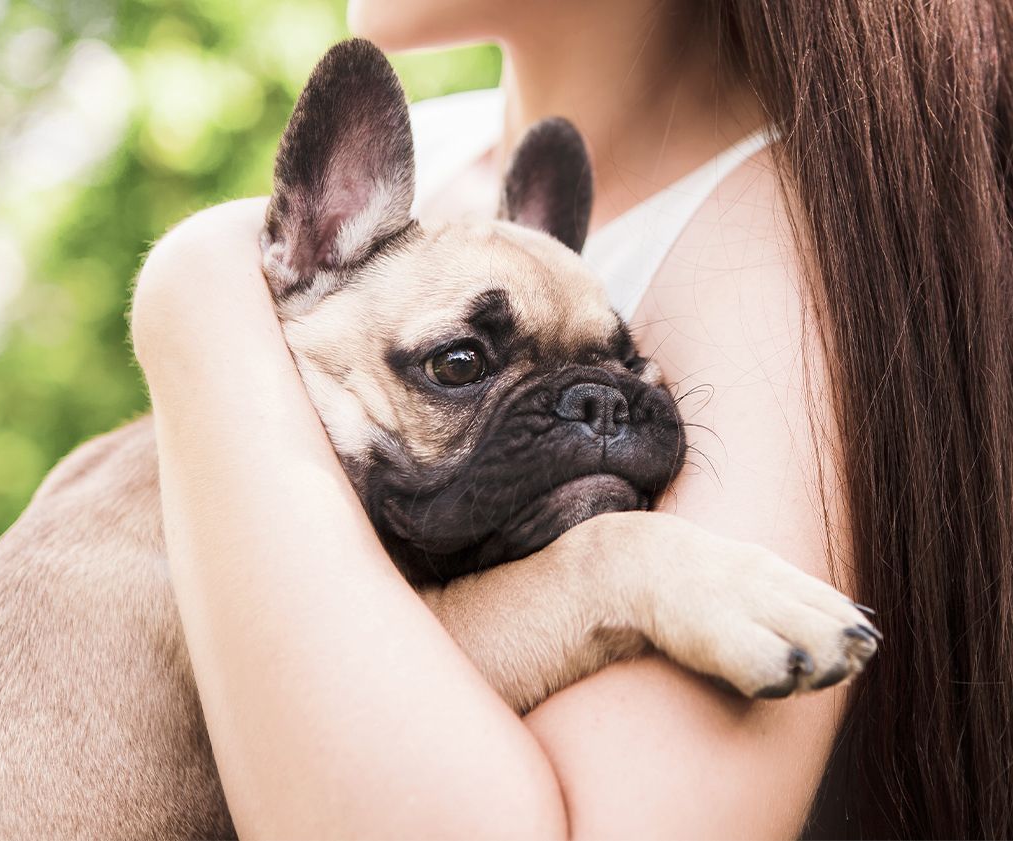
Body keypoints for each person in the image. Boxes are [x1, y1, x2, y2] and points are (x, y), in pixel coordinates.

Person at [130, 1, 1013, 837]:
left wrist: (198, 295)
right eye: (459, 366)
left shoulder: (765, 253)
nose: (589, 409)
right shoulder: (433, 158)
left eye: (624, 367)